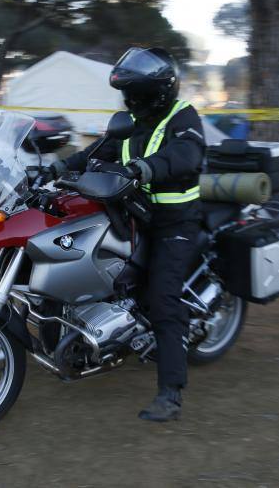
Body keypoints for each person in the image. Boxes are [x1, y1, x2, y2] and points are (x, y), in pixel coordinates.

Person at [49, 47, 206, 422]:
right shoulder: (132, 119)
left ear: (161, 91)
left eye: (138, 93)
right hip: (136, 214)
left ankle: (171, 393)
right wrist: (56, 167)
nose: (131, 101)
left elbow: (187, 155)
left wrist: (144, 169)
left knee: (162, 297)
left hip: (176, 221)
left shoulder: (182, 116)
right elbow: (99, 151)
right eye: (128, 94)